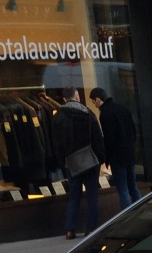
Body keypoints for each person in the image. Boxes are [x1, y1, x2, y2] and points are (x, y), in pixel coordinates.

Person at [52, 87, 105, 239]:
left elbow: (56, 143)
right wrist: (100, 157)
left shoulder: (58, 117)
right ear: (77, 96)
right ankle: (91, 229)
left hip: (71, 162)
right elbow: (98, 138)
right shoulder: (88, 114)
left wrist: (62, 161)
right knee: (92, 195)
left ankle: (70, 229)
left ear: (63, 99)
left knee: (74, 195)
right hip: (90, 159)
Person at [90, 87, 140, 209]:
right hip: (130, 154)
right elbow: (134, 132)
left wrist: (106, 157)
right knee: (133, 186)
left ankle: (127, 217)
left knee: (123, 189)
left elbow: (109, 139)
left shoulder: (105, 114)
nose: (95, 106)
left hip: (117, 157)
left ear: (98, 100)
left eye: (93, 102)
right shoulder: (124, 108)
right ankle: (141, 211)